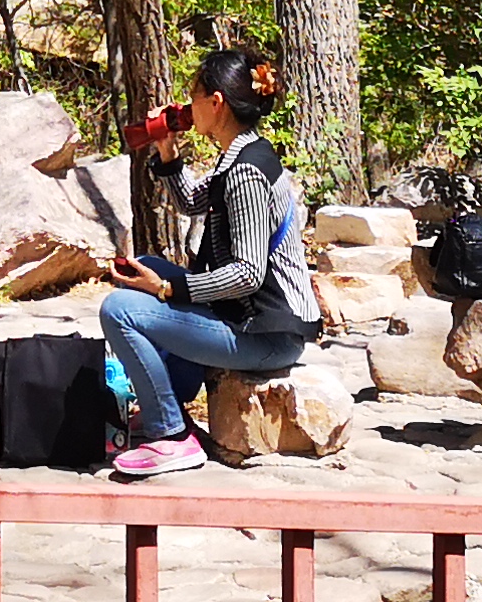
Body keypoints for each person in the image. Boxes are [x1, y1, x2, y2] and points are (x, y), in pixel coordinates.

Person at [97, 49, 320, 477]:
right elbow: (194, 202)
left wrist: (166, 291)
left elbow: (247, 274)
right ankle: (172, 403)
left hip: (267, 333)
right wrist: (167, 150)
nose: (186, 105)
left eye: (193, 95)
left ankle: (171, 436)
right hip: (250, 318)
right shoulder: (243, 152)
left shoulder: (246, 173)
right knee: (142, 266)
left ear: (216, 103)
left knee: (120, 310)